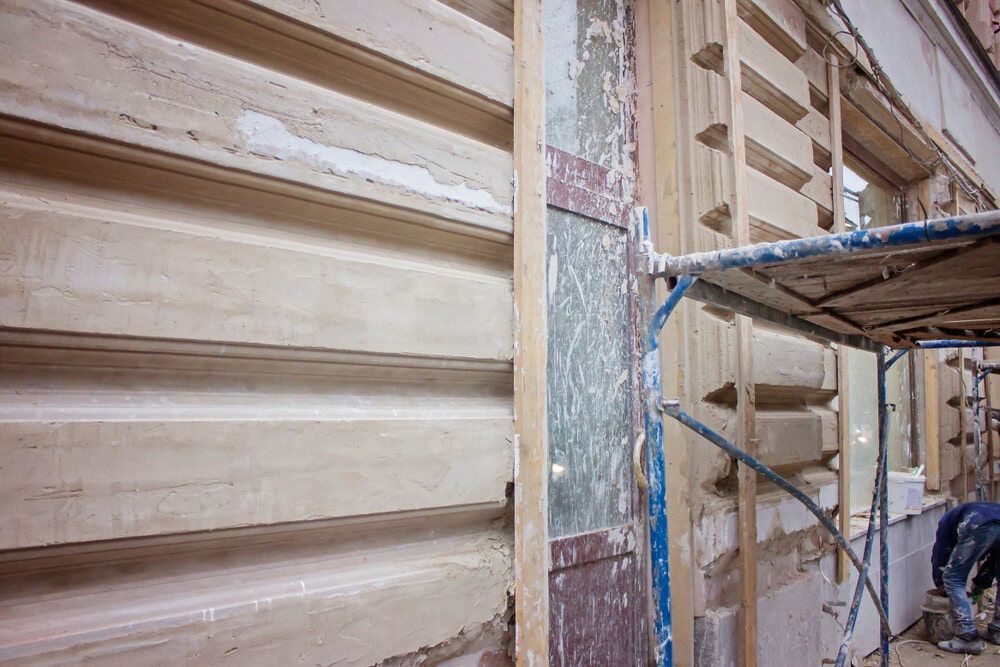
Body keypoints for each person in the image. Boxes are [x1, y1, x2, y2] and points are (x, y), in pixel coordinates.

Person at [931, 501, 1000, 654]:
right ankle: (998, 631)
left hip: (979, 522)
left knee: (953, 578)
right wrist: (980, 583)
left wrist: (941, 584)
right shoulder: (964, 514)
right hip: (991, 520)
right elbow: (993, 562)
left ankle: (966, 636)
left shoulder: (946, 523)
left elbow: (940, 555)